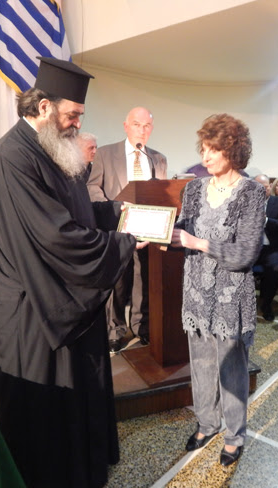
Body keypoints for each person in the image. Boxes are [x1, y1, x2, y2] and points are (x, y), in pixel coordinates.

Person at [0, 57, 144, 487]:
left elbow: (75, 211)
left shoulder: (52, 148)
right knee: (46, 424)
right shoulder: (11, 158)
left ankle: (85, 467)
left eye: (80, 116)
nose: (76, 124)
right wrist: (123, 243)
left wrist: (118, 213)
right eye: (72, 115)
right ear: (44, 107)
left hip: (61, 294)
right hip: (35, 309)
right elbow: (56, 236)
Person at [171, 114, 266, 467]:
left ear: (233, 151)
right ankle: (207, 423)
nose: (206, 156)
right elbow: (181, 230)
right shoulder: (193, 189)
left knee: (232, 367)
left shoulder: (252, 192)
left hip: (230, 292)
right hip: (196, 288)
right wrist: (158, 232)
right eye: (204, 149)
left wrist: (197, 242)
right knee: (200, 362)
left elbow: (245, 253)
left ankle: (234, 435)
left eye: (213, 149)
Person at [86, 107, 168, 351]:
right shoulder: (105, 153)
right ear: (126, 126)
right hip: (117, 226)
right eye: (136, 124)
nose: (142, 130)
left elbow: (163, 192)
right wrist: (112, 208)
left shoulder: (158, 158)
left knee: (144, 279)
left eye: (146, 126)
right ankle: (115, 330)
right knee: (118, 281)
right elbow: (92, 187)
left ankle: (142, 327)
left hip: (148, 227)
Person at [254, 174, 278, 320]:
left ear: (270, 187)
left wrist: (266, 221)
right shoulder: (247, 202)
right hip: (251, 248)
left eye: (264, 187)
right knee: (235, 263)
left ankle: (266, 304)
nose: (261, 191)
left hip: (272, 247)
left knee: (274, 268)